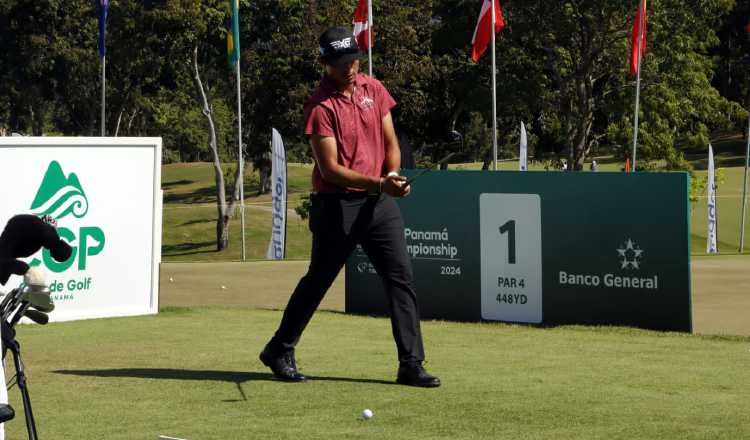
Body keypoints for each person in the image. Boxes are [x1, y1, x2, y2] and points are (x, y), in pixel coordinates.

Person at [258, 27, 440, 388]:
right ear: (325, 64)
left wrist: (392, 174)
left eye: (354, 59)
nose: (351, 67)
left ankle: (411, 363)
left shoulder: (374, 89)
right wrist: (379, 182)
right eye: (342, 63)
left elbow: (391, 141)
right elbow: (331, 170)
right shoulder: (320, 107)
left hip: (379, 204)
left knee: (400, 278)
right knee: (319, 281)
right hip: (337, 205)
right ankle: (279, 348)